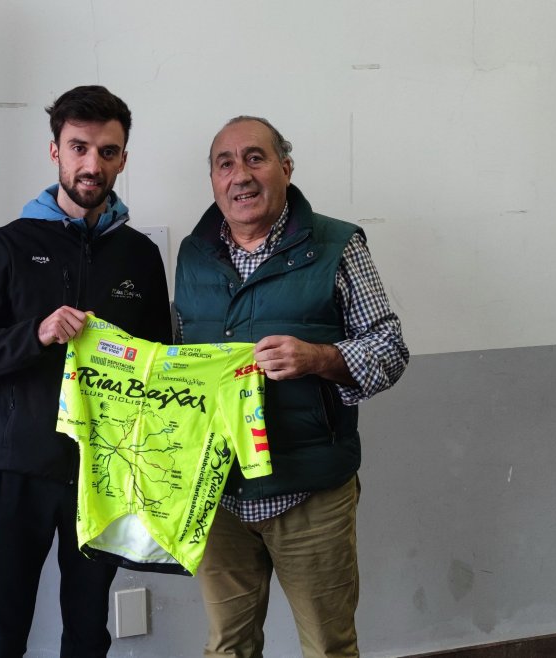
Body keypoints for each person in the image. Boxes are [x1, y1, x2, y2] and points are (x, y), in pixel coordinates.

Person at [0, 85, 171, 658]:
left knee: (88, 636)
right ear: (55, 151)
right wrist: (33, 335)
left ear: (123, 159)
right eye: (79, 148)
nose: (92, 165)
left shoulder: (140, 256)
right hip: (16, 475)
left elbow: (160, 368)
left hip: (102, 480)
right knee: (1, 636)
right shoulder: (8, 246)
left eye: (107, 152)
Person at [174, 116, 409, 658]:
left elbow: (390, 349)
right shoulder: (192, 253)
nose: (240, 175)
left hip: (310, 493)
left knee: (328, 648)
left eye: (255, 158)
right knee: (227, 648)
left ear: (286, 167)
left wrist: (320, 357)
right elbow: (181, 357)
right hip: (220, 495)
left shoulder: (337, 245)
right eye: (225, 163)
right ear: (213, 180)